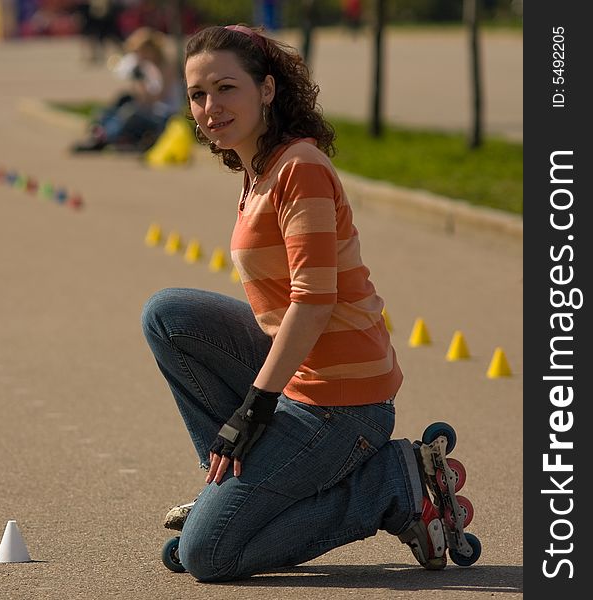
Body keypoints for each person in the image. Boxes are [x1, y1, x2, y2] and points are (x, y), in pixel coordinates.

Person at [141, 24, 479, 581]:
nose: (209, 107)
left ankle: (392, 486)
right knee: (168, 315)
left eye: (227, 89)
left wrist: (253, 407)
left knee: (208, 555)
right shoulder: (258, 170)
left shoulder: (299, 168)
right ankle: (229, 493)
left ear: (267, 90)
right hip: (303, 376)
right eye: (198, 95)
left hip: (345, 403)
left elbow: (314, 303)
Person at [71, 26, 182, 153]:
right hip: (152, 109)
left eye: (140, 51)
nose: (138, 56)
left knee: (129, 114)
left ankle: (104, 137)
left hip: (164, 115)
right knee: (122, 100)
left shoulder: (166, 66)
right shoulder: (149, 65)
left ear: (150, 49)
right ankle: (99, 131)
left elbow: (157, 97)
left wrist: (140, 81)